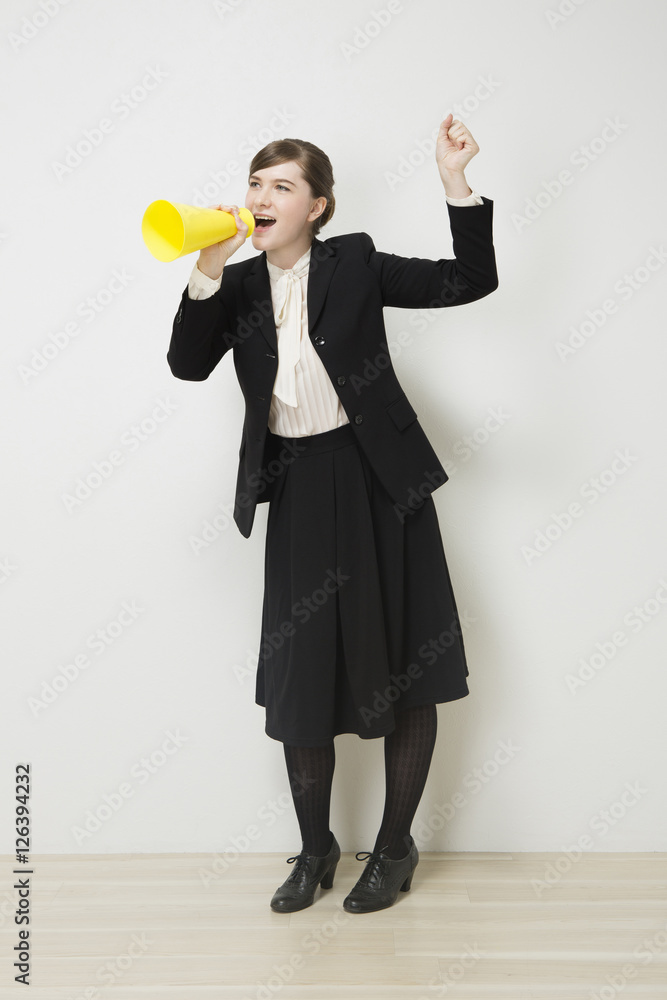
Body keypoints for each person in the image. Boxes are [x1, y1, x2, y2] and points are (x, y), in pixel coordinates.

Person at [166, 113, 498, 914]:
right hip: (300, 487)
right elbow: (185, 364)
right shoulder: (236, 285)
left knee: (407, 661)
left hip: (381, 480)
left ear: (316, 207)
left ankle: (393, 847)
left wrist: (454, 181)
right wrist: (207, 267)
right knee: (301, 673)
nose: (260, 196)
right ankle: (315, 848)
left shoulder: (354, 262)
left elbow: (468, 280)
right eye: (255, 182)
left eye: (281, 185)